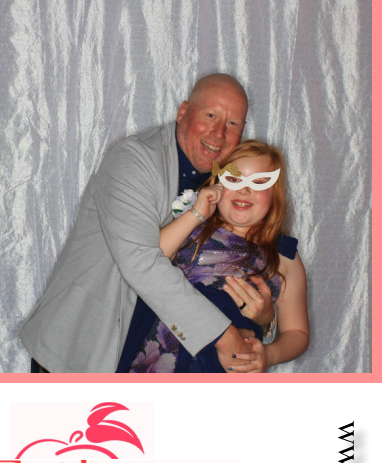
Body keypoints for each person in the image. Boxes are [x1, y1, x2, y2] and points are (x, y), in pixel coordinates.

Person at [21, 72, 258, 375]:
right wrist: (222, 336)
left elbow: (244, 262)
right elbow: (142, 262)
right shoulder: (133, 159)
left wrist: (263, 317)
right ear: (183, 112)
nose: (219, 133)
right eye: (210, 115)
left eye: (233, 123)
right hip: (80, 351)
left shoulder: (230, 182)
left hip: (145, 362)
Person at [117, 140, 309, 373]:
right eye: (234, 179)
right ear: (217, 184)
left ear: (275, 194)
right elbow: (147, 256)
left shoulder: (284, 256)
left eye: (259, 183)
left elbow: (297, 332)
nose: (244, 190)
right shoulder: (191, 229)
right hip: (157, 362)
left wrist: (269, 355)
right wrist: (196, 214)